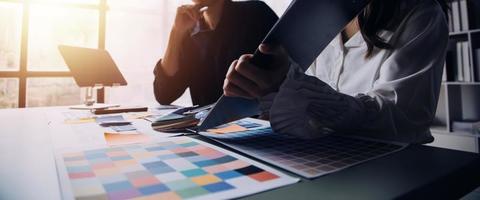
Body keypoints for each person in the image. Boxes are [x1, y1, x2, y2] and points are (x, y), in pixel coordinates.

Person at [223, 0, 449, 143]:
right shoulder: (313, 19)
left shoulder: (420, 13)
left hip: (395, 165)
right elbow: (308, 120)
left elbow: (401, 119)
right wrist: (270, 90)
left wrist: (291, 87)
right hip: (328, 159)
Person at [153, 0, 278, 106]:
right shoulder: (190, 31)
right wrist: (177, 32)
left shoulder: (256, 14)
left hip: (259, 124)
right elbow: (164, 94)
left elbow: (291, 69)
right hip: (207, 130)